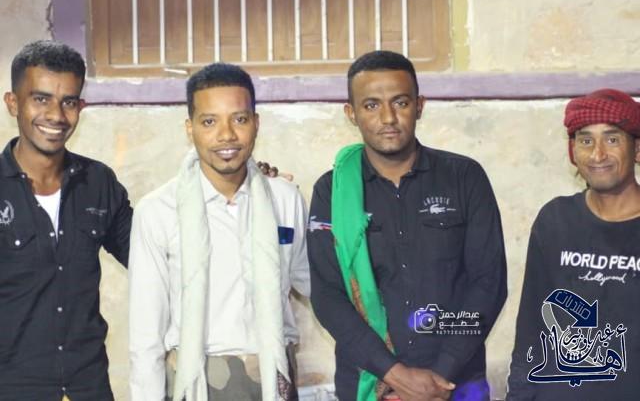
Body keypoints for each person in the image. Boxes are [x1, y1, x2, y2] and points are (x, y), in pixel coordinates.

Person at [307, 50, 507, 401]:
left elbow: (488, 284)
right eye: (371, 105)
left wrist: (440, 375)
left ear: (419, 106)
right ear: (351, 113)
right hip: (371, 383)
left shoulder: (464, 177)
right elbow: (327, 295)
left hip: (456, 385)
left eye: (400, 102)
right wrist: (395, 375)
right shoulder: (332, 192)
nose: (388, 117)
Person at [128, 62, 310, 401]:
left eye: (239, 119)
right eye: (209, 122)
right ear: (190, 128)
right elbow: (145, 334)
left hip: (274, 377)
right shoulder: (157, 211)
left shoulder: (284, 200)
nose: (226, 135)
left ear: (256, 123)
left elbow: (316, 284)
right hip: (196, 381)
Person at [0, 40, 132, 400]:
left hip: (88, 387)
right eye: (41, 99)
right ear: (13, 103)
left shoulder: (98, 183)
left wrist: (241, 187)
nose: (56, 115)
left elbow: (155, 257)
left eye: (69, 102)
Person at [507, 89, 640, 400]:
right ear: (572, 152)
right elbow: (531, 329)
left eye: (612, 139)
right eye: (585, 140)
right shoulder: (555, 220)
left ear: (637, 149)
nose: (597, 155)